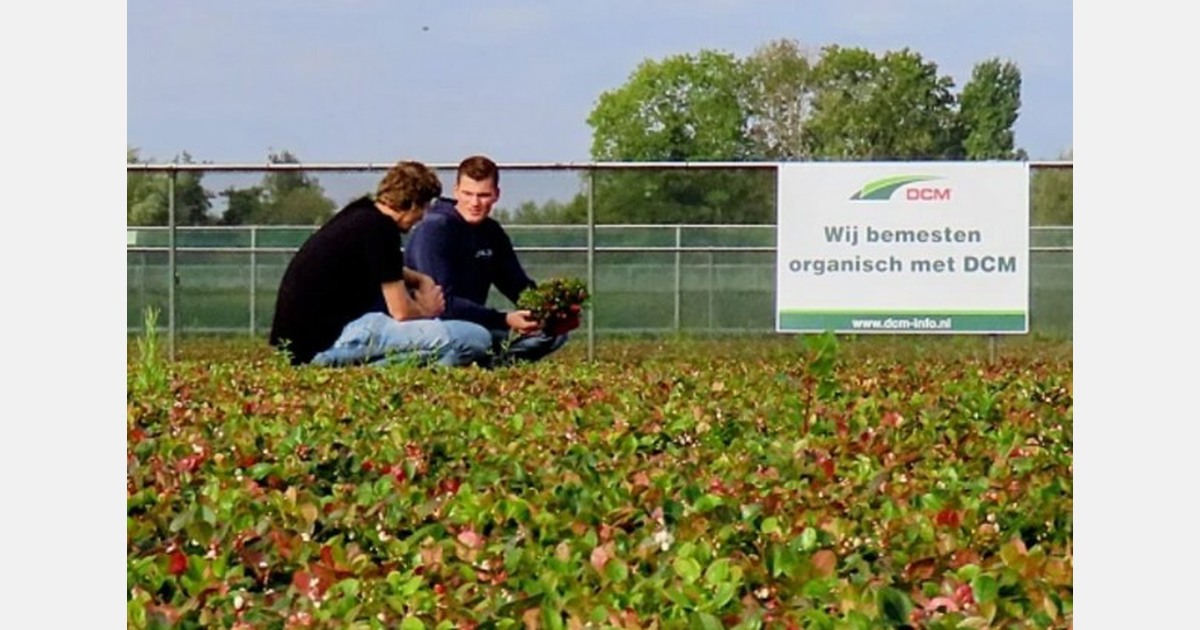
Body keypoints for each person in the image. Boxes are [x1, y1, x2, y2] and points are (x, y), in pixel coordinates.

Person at [268, 160, 493, 368]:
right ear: (413, 204)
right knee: (474, 337)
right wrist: (429, 310)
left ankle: (373, 368)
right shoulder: (382, 231)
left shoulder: (361, 214)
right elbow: (401, 311)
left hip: (298, 344)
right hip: (327, 342)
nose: (422, 217)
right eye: (424, 208)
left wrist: (421, 279)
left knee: (448, 351)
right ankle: (362, 369)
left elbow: (384, 268)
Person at [403, 155, 577, 365]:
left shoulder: (492, 232)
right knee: (476, 337)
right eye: (468, 194)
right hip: (433, 328)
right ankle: (452, 366)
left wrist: (550, 310)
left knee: (551, 335)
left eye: (484, 195)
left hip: (476, 326)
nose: (475, 203)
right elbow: (444, 306)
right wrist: (503, 320)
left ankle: (489, 367)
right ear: (456, 190)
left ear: (496, 195)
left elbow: (518, 286)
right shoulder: (436, 229)